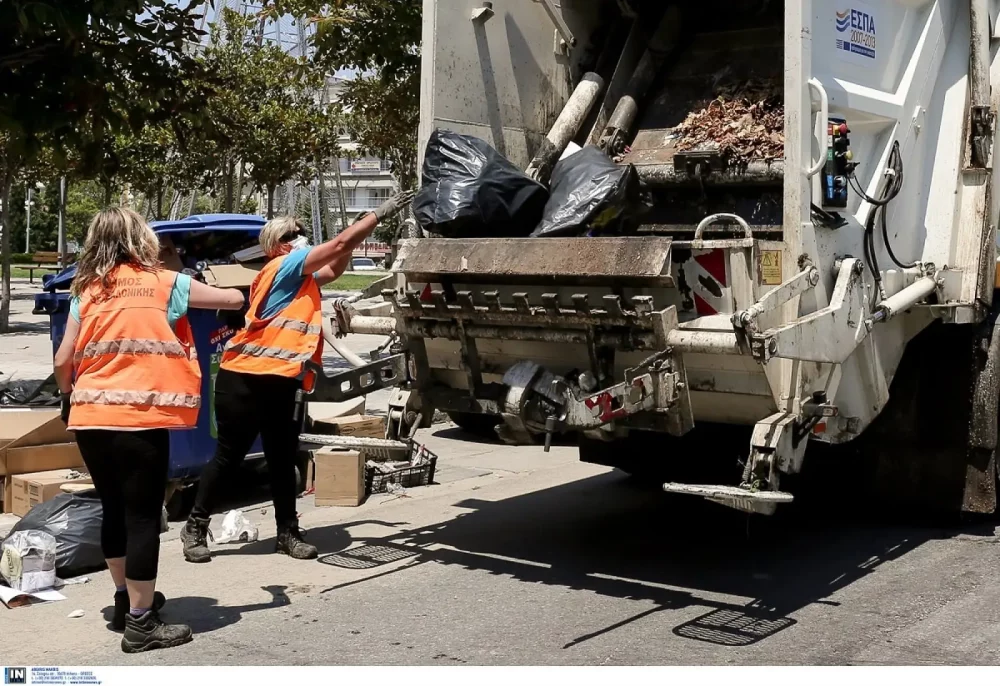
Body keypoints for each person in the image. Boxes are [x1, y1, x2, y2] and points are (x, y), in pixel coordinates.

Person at [181, 189, 414, 563]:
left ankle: (288, 533)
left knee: (281, 456)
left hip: (281, 380)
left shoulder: (301, 276)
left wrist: (346, 245)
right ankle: (194, 526)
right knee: (229, 456)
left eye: (301, 232)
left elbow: (335, 266)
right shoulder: (283, 267)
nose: (300, 237)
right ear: (277, 245)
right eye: (293, 234)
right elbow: (338, 243)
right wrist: (376, 216)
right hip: (244, 377)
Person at [54, 207, 245, 654]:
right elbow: (231, 302)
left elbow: (64, 360)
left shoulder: (87, 291)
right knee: (143, 516)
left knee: (114, 510)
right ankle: (141, 624)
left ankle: (124, 601)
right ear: (141, 240)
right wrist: (240, 291)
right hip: (138, 420)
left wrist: (70, 395)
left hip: (90, 419)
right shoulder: (166, 282)